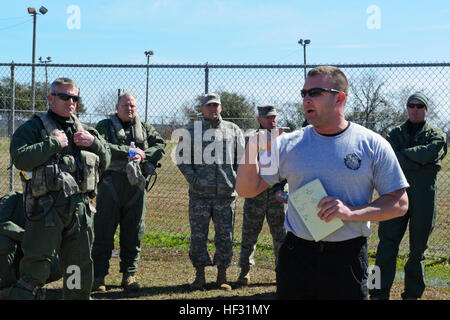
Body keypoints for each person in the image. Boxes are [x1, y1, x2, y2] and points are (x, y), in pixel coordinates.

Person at [235, 66, 409, 300]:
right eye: (304, 93)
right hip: (297, 254)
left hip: (347, 257)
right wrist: (252, 148)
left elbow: (399, 203)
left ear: (340, 97)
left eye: (315, 92)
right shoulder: (288, 144)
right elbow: (247, 189)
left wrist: (350, 212)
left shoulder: (371, 144)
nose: (306, 99)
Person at [8, 77, 111, 300]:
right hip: (46, 210)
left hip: (80, 211)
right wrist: (52, 143)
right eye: (64, 97)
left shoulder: (85, 130)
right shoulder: (34, 128)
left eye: (75, 97)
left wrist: (94, 142)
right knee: (37, 265)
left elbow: (107, 160)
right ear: (50, 98)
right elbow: (20, 158)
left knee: (77, 266)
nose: (70, 102)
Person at [370, 92, 447, 300]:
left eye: (419, 106)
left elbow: (429, 152)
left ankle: (412, 294)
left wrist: (404, 156)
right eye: (411, 105)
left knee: (418, 250)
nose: (414, 109)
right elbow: (388, 158)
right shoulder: (395, 133)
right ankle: (377, 291)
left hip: (424, 199)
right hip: (394, 195)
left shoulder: (437, 134)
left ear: (426, 109)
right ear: (407, 108)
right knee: (385, 245)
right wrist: (418, 161)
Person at [92, 93, 166, 292]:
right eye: (125, 106)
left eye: (132, 106)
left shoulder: (145, 128)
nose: (129, 109)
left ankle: (129, 275)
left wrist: (144, 154)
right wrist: (127, 152)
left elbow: (160, 145)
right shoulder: (104, 126)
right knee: (103, 231)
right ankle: (98, 277)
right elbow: (101, 146)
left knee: (134, 231)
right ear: (117, 107)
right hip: (110, 185)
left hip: (136, 186)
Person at [176, 92, 245, 290]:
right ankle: (200, 276)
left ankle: (222, 276)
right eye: (208, 106)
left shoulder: (233, 130)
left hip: (226, 195)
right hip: (200, 195)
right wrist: (193, 179)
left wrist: (236, 180)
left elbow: (242, 160)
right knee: (198, 236)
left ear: (220, 107)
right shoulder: (192, 131)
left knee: (226, 236)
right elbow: (181, 158)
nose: (212, 108)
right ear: (202, 109)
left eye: (215, 105)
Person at [237, 105, 287, 286]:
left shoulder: (283, 139)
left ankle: (283, 273)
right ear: (259, 119)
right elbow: (242, 166)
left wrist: (282, 187)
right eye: (267, 117)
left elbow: (289, 167)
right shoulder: (249, 139)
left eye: (274, 117)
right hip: (254, 195)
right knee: (249, 234)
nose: (271, 120)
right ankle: (244, 271)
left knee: (281, 235)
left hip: (277, 195)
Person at [0, 191, 62, 299]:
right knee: (3, 242)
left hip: (31, 254)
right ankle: (9, 286)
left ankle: (29, 287)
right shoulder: (13, 198)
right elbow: (1, 223)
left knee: (59, 266)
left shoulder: (48, 204)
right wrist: (27, 237)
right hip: (11, 253)